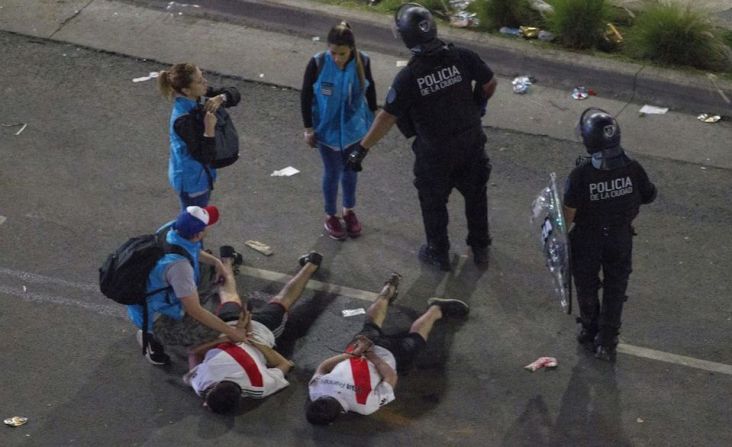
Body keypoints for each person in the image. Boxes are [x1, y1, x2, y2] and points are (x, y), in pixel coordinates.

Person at [345, 3, 497, 270]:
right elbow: (489, 83)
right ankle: (480, 246)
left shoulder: (409, 77)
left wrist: (362, 148)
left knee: (433, 202)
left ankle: (438, 252)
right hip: (471, 143)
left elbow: (387, 117)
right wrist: (476, 107)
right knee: (476, 195)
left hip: (436, 154)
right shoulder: (462, 56)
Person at [305, 273, 470, 425]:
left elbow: (390, 377)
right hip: (359, 346)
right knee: (371, 323)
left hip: (388, 355)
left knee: (416, 339)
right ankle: (388, 289)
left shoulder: (364, 406)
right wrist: (353, 354)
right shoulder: (315, 391)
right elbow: (324, 367)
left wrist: (371, 356)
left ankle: (437, 309)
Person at [563, 108, 657, 362]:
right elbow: (649, 195)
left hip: (586, 240)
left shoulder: (580, 175)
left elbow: (567, 216)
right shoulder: (633, 169)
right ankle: (607, 341)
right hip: (619, 238)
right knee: (615, 288)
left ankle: (589, 328)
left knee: (586, 285)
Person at [183, 251, 324, 414]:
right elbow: (193, 353)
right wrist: (234, 336)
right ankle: (226, 259)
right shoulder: (201, 383)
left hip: (259, 332)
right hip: (227, 327)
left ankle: (311, 264)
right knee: (229, 297)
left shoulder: (259, 386)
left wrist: (252, 341)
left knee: (282, 301)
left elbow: (285, 364)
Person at [127, 205, 249, 365]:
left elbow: (191, 251)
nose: (208, 228)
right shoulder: (179, 267)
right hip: (155, 314)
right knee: (210, 329)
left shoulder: (171, 229)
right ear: (198, 235)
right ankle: (151, 336)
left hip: (156, 291)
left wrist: (216, 262)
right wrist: (232, 332)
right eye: (206, 226)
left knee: (208, 269)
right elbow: (195, 311)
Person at [301, 22, 378, 240]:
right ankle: (330, 215)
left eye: (342, 54)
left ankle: (349, 211)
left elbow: (371, 93)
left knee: (351, 171)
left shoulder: (363, 61)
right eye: (333, 52)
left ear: (352, 50)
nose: (337, 58)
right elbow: (306, 96)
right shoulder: (317, 63)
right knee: (332, 173)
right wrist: (308, 128)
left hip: (355, 131)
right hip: (326, 133)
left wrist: (373, 124)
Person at [158, 63, 241, 211]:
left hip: (199, 175)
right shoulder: (183, 121)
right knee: (195, 223)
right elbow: (204, 155)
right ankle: (170, 234)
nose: (205, 82)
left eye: (202, 76)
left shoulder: (195, 95)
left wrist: (221, 97)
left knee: (193, 220)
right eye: (199, 80)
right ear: (186, 90)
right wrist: (209, 128)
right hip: (192, 181)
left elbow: (234, 93)